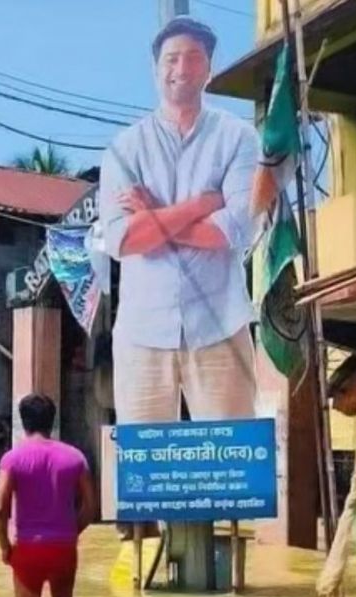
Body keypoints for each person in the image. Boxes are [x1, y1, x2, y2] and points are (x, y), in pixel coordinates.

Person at [95, 16, 258, 546]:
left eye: (192, 58)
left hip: (222, 321)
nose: (180, 69)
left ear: (208, 68)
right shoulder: (124, 149)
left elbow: (235, 230)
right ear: (154, 69)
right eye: (170, 59)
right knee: (142, 481)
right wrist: (199, 205)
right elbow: (123, 241)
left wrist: (158, 216)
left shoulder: (239, 138)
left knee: (230, 473)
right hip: (143, 327)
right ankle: (146, 592)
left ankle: (230, 587)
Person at [0, 394, 96, 597]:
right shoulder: (75, 456)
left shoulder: (12, 458)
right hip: (64, 547)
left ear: (23, 421)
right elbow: (90, 507)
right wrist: (71, 531)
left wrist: (5, 547)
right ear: (52, 420)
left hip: (28, 548)